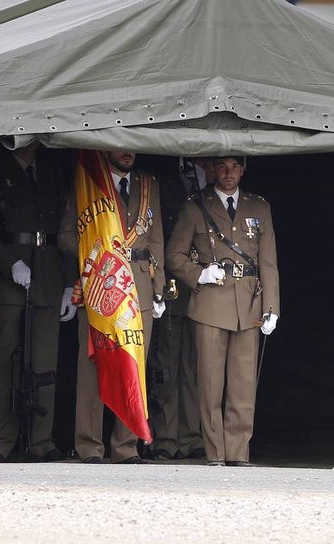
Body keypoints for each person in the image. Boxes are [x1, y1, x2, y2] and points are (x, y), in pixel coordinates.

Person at [167, 154, 279, 466]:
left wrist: (271, 307)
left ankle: (238, 452)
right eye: (222, 167)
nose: (228, 174)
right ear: (212, 169)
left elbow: (268, 263)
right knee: (210, 383)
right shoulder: (194, 206)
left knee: (243, 384)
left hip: (249, 303)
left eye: (234, 167)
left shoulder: (259, 207)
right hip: (211, 302)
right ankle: (215, 452)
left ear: (243, 170)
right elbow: (174, 254)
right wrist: (198, 274)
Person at [60, 150, 165, 464]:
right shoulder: (89, 185)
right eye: (119, 146)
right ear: (105, 150)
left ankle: (125, 447)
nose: (127, 152)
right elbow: (66, 237)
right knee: (92, 367)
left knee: (135, 367)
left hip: (140, 289)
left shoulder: (148, 186)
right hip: (101, 286)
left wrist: (159, 286)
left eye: (131, 146)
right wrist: (100, 246)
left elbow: (156, 238)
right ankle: (89, 446)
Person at [0, 139, 71, 463]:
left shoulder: (50, 172)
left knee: (45, 361)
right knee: (5, 360)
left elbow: (66, 230)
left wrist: (69, 284)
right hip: (10, 278)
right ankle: (1, 439)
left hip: (49, 274)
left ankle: (41, 440)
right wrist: (9, 263)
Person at [148, 157, 211, 460]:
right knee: (167, 366)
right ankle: (166, 437)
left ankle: (191, 436)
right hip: (173, 285)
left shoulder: (214, 183)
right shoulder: (162, 183)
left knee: (195, 367)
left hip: (206, 290)